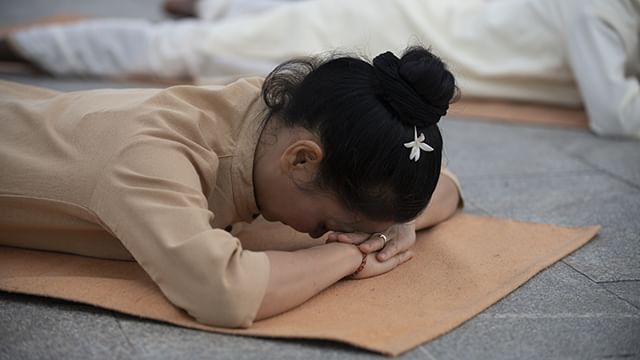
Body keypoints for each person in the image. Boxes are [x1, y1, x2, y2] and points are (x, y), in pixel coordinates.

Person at [0, 46, 463, 328]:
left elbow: (445, 187)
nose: (326, 235)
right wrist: (351, 255)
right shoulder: (149, 159)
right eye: (327, 225)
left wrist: (399, 225)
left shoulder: (281, 115)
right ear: (302, 160)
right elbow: (223, 292)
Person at [0, 0, 638, 138]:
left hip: (390, 20)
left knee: (226, 35)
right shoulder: (598, 9)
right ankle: (31, 45)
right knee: (191, 51)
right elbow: (615, 112)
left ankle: (210, 5)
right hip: (366, 31)